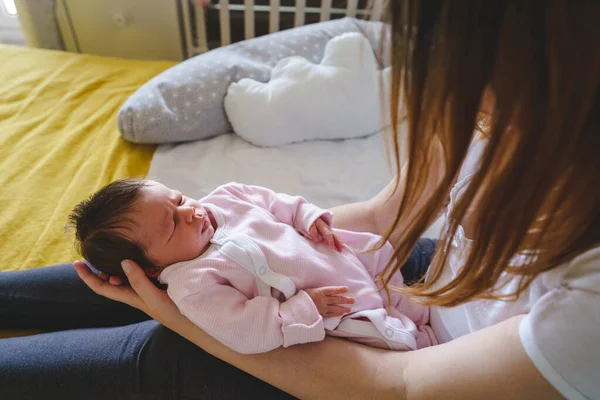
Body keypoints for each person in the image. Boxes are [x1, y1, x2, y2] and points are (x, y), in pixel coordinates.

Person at [2, 1, 598, 399]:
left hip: (418, 351)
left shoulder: (587, 307)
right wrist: (292, 231)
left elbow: (400, 385)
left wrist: (176, 316)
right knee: (122, 270)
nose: (450, 100)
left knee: (167, 355)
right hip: (429, 283)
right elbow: (378, 216)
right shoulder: (485, 114)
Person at [68, 178, 436, 353]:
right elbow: (245, 330)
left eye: (178, 199)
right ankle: (421, 340)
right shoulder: (192, 284)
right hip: (335, 306)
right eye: (173, 225)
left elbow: (276, 202)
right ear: (150, 269)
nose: (191, 212)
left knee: (384, 260)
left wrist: (306, 216)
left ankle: (416, 312)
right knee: (384, 335)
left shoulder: (227, 197)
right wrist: (303, 309)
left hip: (344, 256)